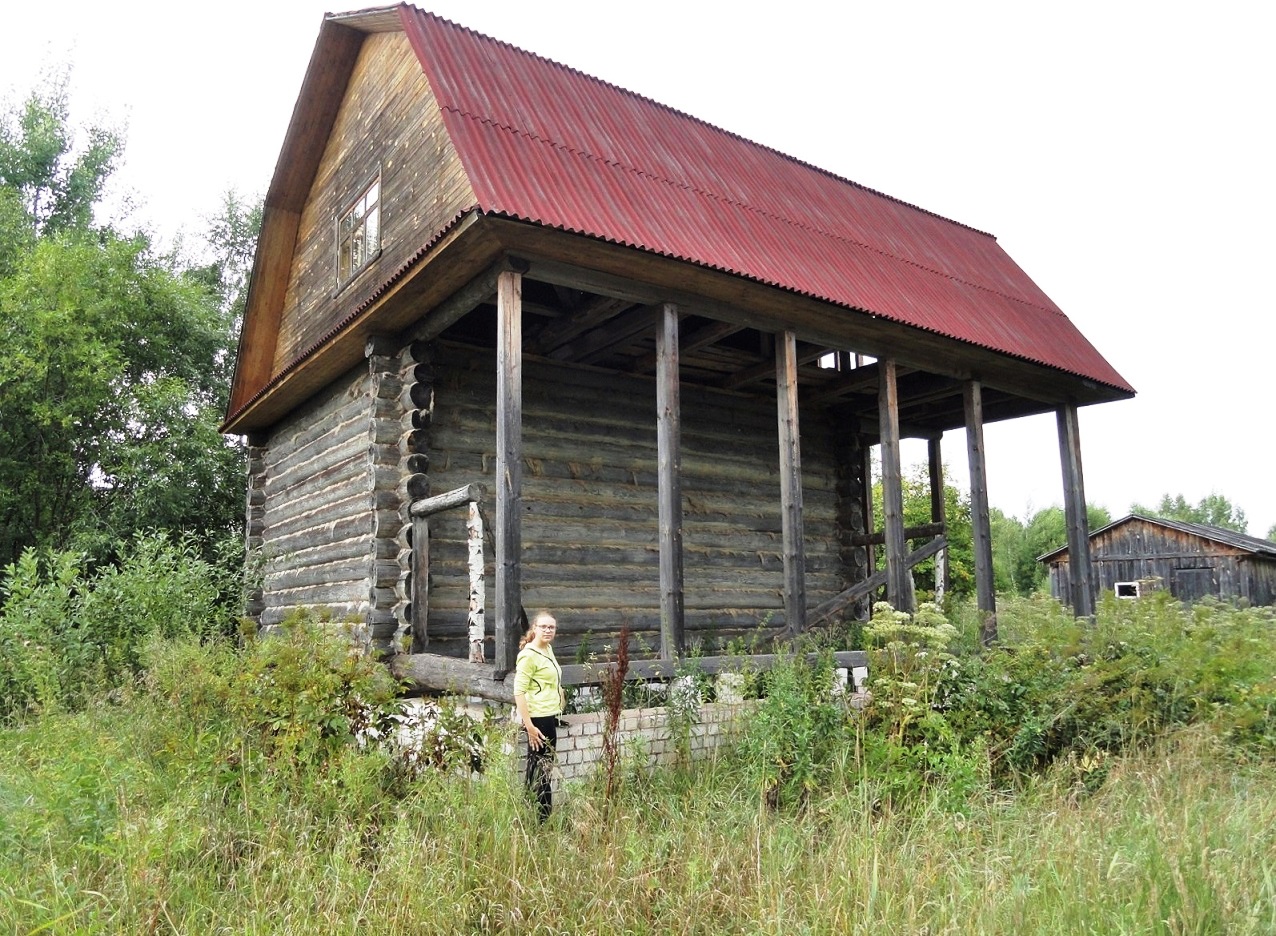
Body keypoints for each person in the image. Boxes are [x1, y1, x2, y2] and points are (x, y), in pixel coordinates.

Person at [513, 612, 564, 820]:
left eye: (551, 627)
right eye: (543, 626)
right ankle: (543, 818)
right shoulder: (529, 655)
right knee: (543, 770)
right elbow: (519, 692)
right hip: (538, 719)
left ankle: (528, 814)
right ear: (534, 628)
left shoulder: (548, 649)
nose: (547, 631)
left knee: (538, 768)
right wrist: (530, 727)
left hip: (549, 715)